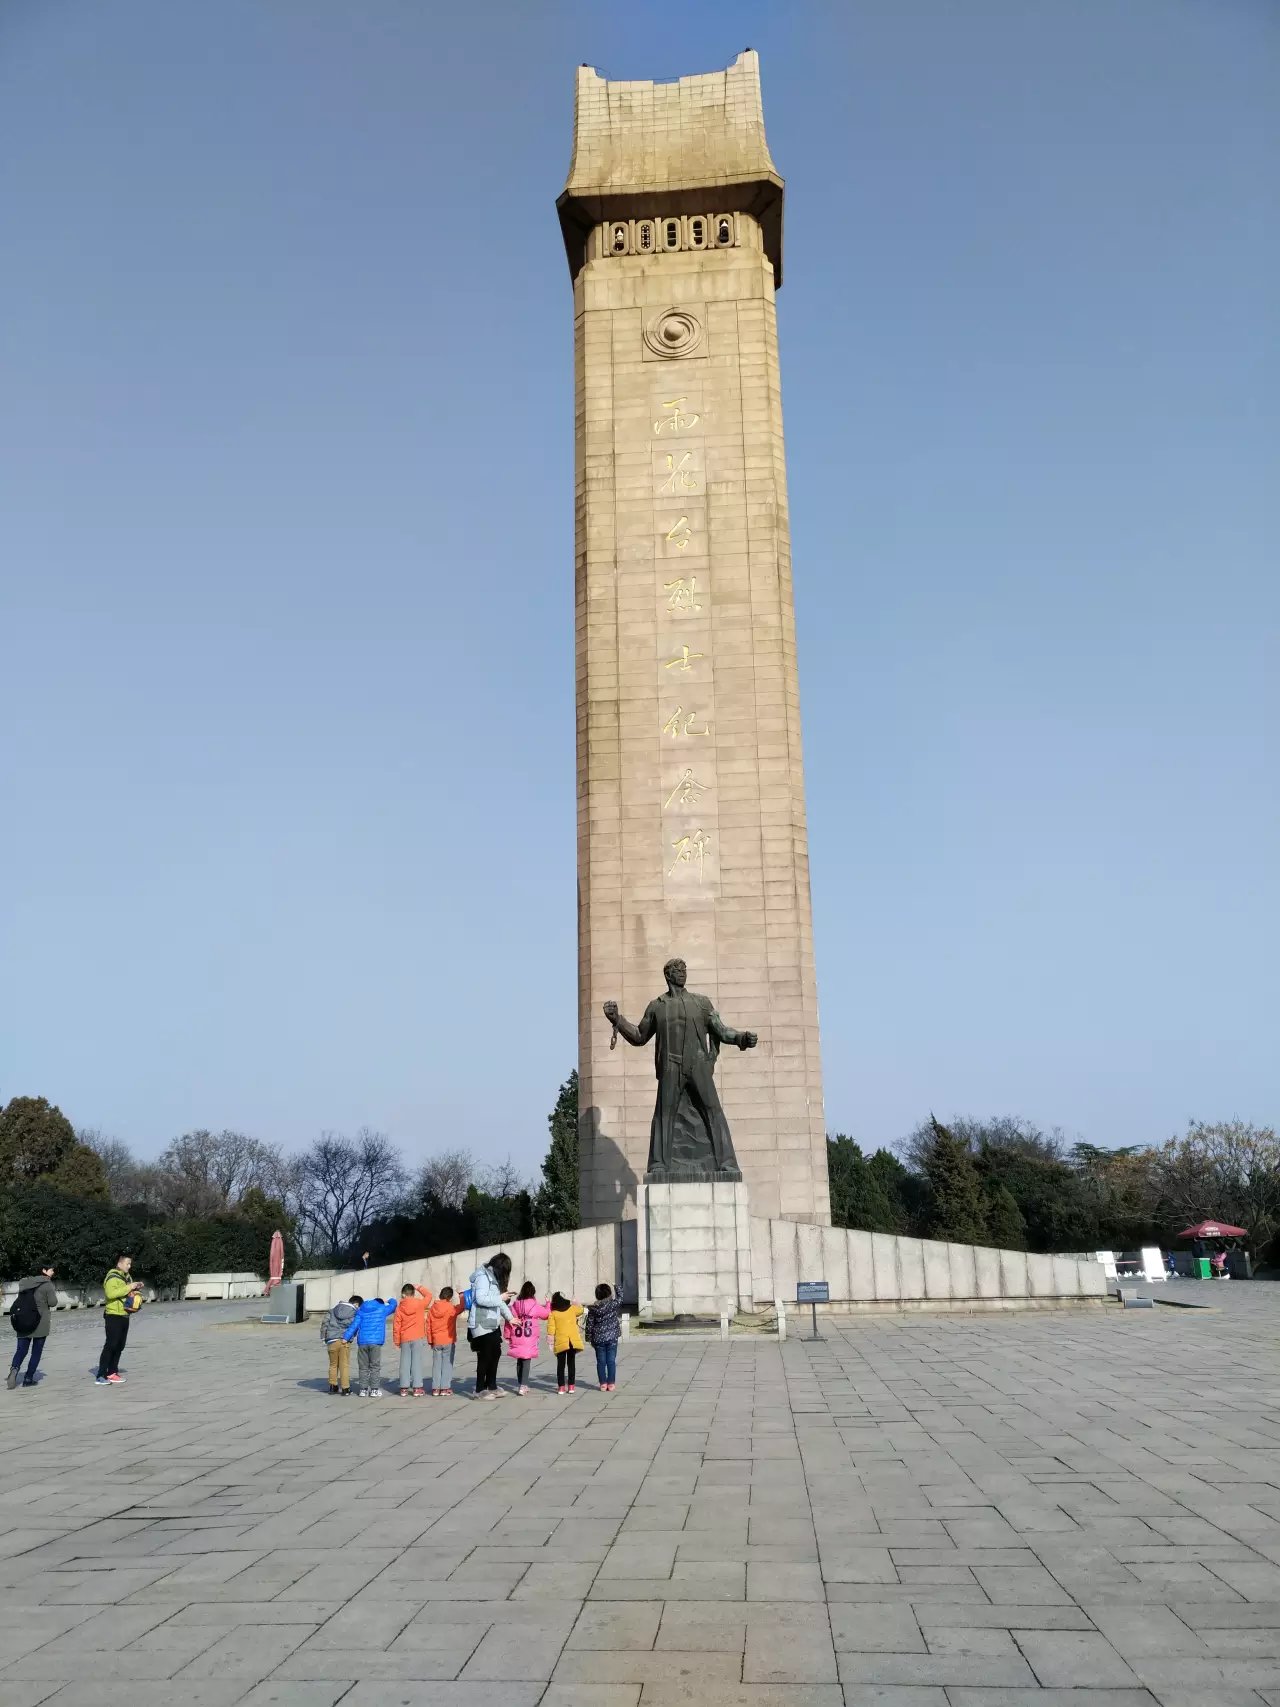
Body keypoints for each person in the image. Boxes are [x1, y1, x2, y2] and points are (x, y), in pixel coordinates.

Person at [467, 1252, 515, 1401]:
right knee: (485, 1356)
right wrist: (501, 1297)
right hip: (481, 1322)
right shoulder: (483, 1277)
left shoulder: (493, 1278)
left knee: (496, 1353)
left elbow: (499, 1303)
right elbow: (481, 1299)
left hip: (492, 1323)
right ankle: (480, 1389)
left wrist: (511, 1318)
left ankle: (492, 1385)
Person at [8, 1265, 58, 1390]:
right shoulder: (47, 1284)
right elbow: (53, 1302)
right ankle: (28, 1378)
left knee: (21, 1350)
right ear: (44, 1271)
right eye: (51, 1269)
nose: (53, 1272)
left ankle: (14, 1369)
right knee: (36, 1352)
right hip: (40, 1323)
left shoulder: (24, 1282)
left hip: (23, 1321)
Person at [96, 1255, 142, 1386]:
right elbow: (111, 1294)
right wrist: (129, 1287)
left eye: (130, 1264)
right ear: (120, 1264)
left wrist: (136, 1286)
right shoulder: (112, 1277)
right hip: (113, 1315)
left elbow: (127, 1292)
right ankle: (101, 1374)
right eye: (127, 1264)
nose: (129, 1266)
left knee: (120, 1345)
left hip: (125, 1314)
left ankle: (112, 1372)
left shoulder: (127, 1277)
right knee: (111, 1344)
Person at [342, 1295, 399, 1396]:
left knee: (363, 1367)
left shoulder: (362, 1310)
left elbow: (354, 1325)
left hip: (362, 1342)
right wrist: (389, 1299)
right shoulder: (382, 1309)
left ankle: (363, 1390)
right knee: (375, 1366)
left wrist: (346, 1337)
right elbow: (394, 1305)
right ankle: (374, 1390)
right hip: (375, 1342)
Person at [504, 1281, 550, 1396]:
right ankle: (523, 1385)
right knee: (526, 1360)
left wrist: (507, 1335)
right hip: (529, 1337)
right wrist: (548, 1303)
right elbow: (546, 1314)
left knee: (520, 1360)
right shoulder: (534, 1305)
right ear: (533, 1292)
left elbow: (508, 1321)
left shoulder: (515, 1305)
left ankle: (521, 1383)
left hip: (517, 1335)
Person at [392, 1282, 434, 1397]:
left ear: (403, 1294)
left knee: (404, 1363)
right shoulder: (420, 1304)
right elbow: (429, 1295)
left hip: (405, 1338)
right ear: (413, 1293)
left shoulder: (400, 1308)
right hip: (417, 1336)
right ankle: (417, 1387)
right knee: (416, 1362)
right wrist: (419, 1287)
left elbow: (396, 1325)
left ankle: (404, 1388)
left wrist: (396, 1341)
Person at [427, 1287, 467, 1396]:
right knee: (447, 1364)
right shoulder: (451, 1308)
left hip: (436, 1340)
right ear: (449, 1297)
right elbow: (462, 1307)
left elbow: (428, 1325)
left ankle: (435, 1388)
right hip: (448, 1340)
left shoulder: (432, 1308)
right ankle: (445, 1388)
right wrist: (462, 1296)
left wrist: (430, 1340)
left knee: (436, 1365)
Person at [546, 1292, 585, 1394]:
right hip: (572, 1341)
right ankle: (571, 1386)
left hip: (560, 1342)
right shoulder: (572, 1308)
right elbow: (581, 1310)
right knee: (571, 1364)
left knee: (560, 1365)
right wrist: (576, 1302)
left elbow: (551, 1330)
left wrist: (550, 1343)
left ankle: (561, 1387)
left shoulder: (553, 1313)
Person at [585, 1282, 621, 1391]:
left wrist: (588, 1337)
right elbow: (620, 1298)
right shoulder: (612, 1305)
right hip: (612, 1337)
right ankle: (611, 1383)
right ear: (609, 1294)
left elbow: (589, 1324)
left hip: (598, 1339)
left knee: (601, 1362)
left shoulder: (593, 1309)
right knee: (611, 1361)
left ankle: (603, 1384)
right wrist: (617, 1286)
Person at [321, 1295, 359, 1394]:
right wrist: (351, 1337)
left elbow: (325, 1323)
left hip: (331, 1340)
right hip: (344, 1341)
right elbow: (354, 1326)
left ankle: (333, 1386)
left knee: (333, 1364)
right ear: (356, 1304)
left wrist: (323, 1337)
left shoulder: (332, 1310)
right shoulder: (354, 1312)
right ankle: (345, 1388)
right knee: (344, 1365)